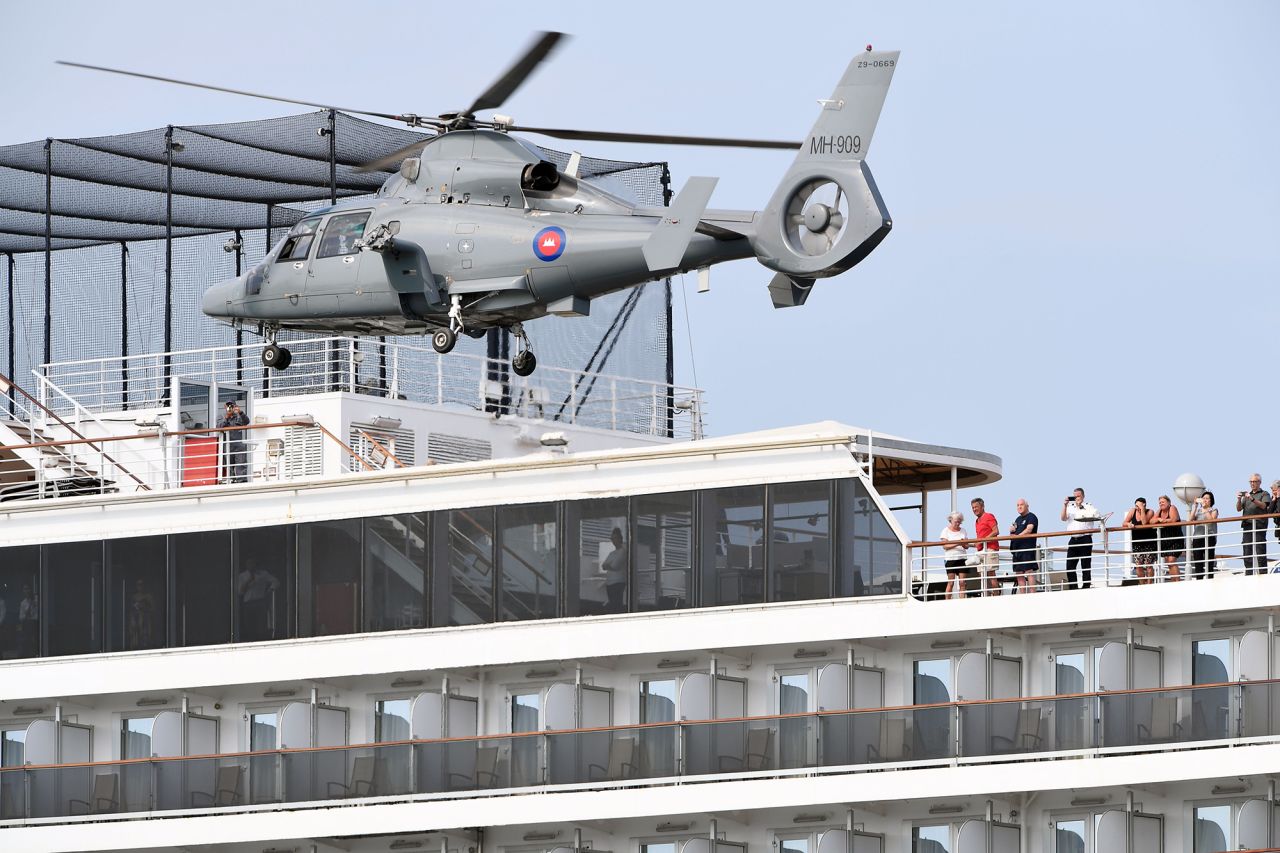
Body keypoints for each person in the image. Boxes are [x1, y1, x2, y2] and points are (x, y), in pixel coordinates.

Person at [1061, 488, 1101, 590]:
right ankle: (1073, 587)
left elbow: (1097, 515)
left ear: (1083, 496)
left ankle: (1086, 587)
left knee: (1085, 564)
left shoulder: (1089, 506)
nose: (1076, 498)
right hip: (1073, 539)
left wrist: (1082, 509)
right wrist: (1065, 505)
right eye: (1075, 496)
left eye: (1078, 496)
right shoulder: (1070, 507)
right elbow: (1063, 518)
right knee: (1070, 566)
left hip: (1085, 538)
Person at [237, 558, 281, 641]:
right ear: (246, 564)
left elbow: (276, 581)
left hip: (260, 602)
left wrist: (269, 590)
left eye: (253, 562)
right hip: (248, 604)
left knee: (260, 626)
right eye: (249, 563)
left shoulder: (263, 574)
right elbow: (240, 592)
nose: (251, 565)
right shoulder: (242, 576)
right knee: (249, 626)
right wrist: (249, 581)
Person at [1237, 473, 1270, 574]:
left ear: (1259, 482)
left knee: (1260, 549)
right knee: (1247, 550)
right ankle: (1249, 573)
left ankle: (1263, 573)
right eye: (1251, 481)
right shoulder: (1246, 496)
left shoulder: (1264, 494)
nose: (1252, 483)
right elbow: (1238, 509)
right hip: (1247, 525)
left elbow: (1264, 506)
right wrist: (1239, 499)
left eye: (1254, 481)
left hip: (1259, 524)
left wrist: (1252, 498)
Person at [1124, 497, 1157, 584]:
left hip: (1149, 542)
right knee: (1138, 565)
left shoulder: (1150, 511)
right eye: (1136, 506)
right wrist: (1128, 524)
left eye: (1139, 506)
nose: (1137, 508)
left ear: (1144, 505)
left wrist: (1142, 509)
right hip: (1137, 542)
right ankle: (1142, 584)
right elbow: (1124, 523)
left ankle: (1149, 584)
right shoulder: (1133, 511)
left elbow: (1144, 522)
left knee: (1149, 565)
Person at [1009, 499, 1039, 593]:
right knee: (1019, 573)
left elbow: (1029, 529)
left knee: (1029, 571)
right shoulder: (1017, 519)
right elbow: (1012, 534)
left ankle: (1032, 594)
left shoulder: (1032, 517)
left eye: (1021, 505)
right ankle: (1022, 595)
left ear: (1027, 506)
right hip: (1017, 550)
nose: (1019, 507)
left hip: (1027, 548)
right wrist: (1012, 532)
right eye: (1017, 505)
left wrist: (1017, 536)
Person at [217, 400, 251, 483]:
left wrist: (241, 412)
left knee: (241, 464)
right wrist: (227, 417)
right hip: (227, 446)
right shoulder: (221, 416)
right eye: (228, 405)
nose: (230, 407)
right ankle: (231, 480)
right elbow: (219, 427)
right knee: (229, 466)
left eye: (231, 405)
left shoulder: (239, 415)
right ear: (225, 406)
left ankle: (242, 481)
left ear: (235, 406)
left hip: (238, 445)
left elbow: (246, 422)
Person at [971, 498, 999, 596]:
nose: (974, 509)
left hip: (990, 548)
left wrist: (983, 540)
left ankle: (996, 596)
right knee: (982, 575)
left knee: (991, 574)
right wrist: (973, 543)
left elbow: (996, 531)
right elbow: (980, 537)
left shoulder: (989, 516)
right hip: (981, 550)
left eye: (976, 507)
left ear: (982, 507)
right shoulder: (977, 521)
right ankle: (986, 595)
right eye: (973, 507)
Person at [939, 512, 971, 600]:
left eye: (960, 522)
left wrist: (963, 544)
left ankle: (962, 601)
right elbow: (945, 546)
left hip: (962, 558)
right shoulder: (945, 530)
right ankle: (947, 601)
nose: (958, 523)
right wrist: (957, 543)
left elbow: (967, 546)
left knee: (962, 582)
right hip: (950, 559)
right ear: (951, 520)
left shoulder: (963, 530)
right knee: (951, 582)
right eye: (956, 521)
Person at [1188, 491, 1219, 580]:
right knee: (1198, 560)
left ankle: (1209, 578)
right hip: (1197, 537)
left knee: (1209, 559)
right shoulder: (1198, 511)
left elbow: (1211, 520)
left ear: (1211, 500)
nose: (1205, 500)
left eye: (1207, 498)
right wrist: (1195, 506)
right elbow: (1190, 520)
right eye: (1203, 498)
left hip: (1209, 536)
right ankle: (1199, 579)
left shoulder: (1213, 510)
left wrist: (1205, 509)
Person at [1154, 495, 1183, 581]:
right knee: (1168, 562)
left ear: (1169, 502)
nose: (1161, 504)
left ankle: (1177, 582)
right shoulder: (1159, 511)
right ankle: (1173, 581)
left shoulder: (1172, 508)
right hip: (1165, 540)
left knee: (1171, 560)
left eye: (1163, 502)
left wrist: (1163, 521)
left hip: (1175, 539)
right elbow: (1151, 521)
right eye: (1159, 502)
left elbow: (1174, 519)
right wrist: (1159, 519)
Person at [602, 527, 628, 612]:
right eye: (612, 539)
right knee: (612, 605)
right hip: (609, 583)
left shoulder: (623, 552)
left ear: (619, 538)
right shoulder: (612, 553)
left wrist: (608, 565)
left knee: (617, 605)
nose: (613, 541)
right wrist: (608, 565)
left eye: (615, 538)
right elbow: (603, 566)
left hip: (618, 583)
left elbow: (615, 566)